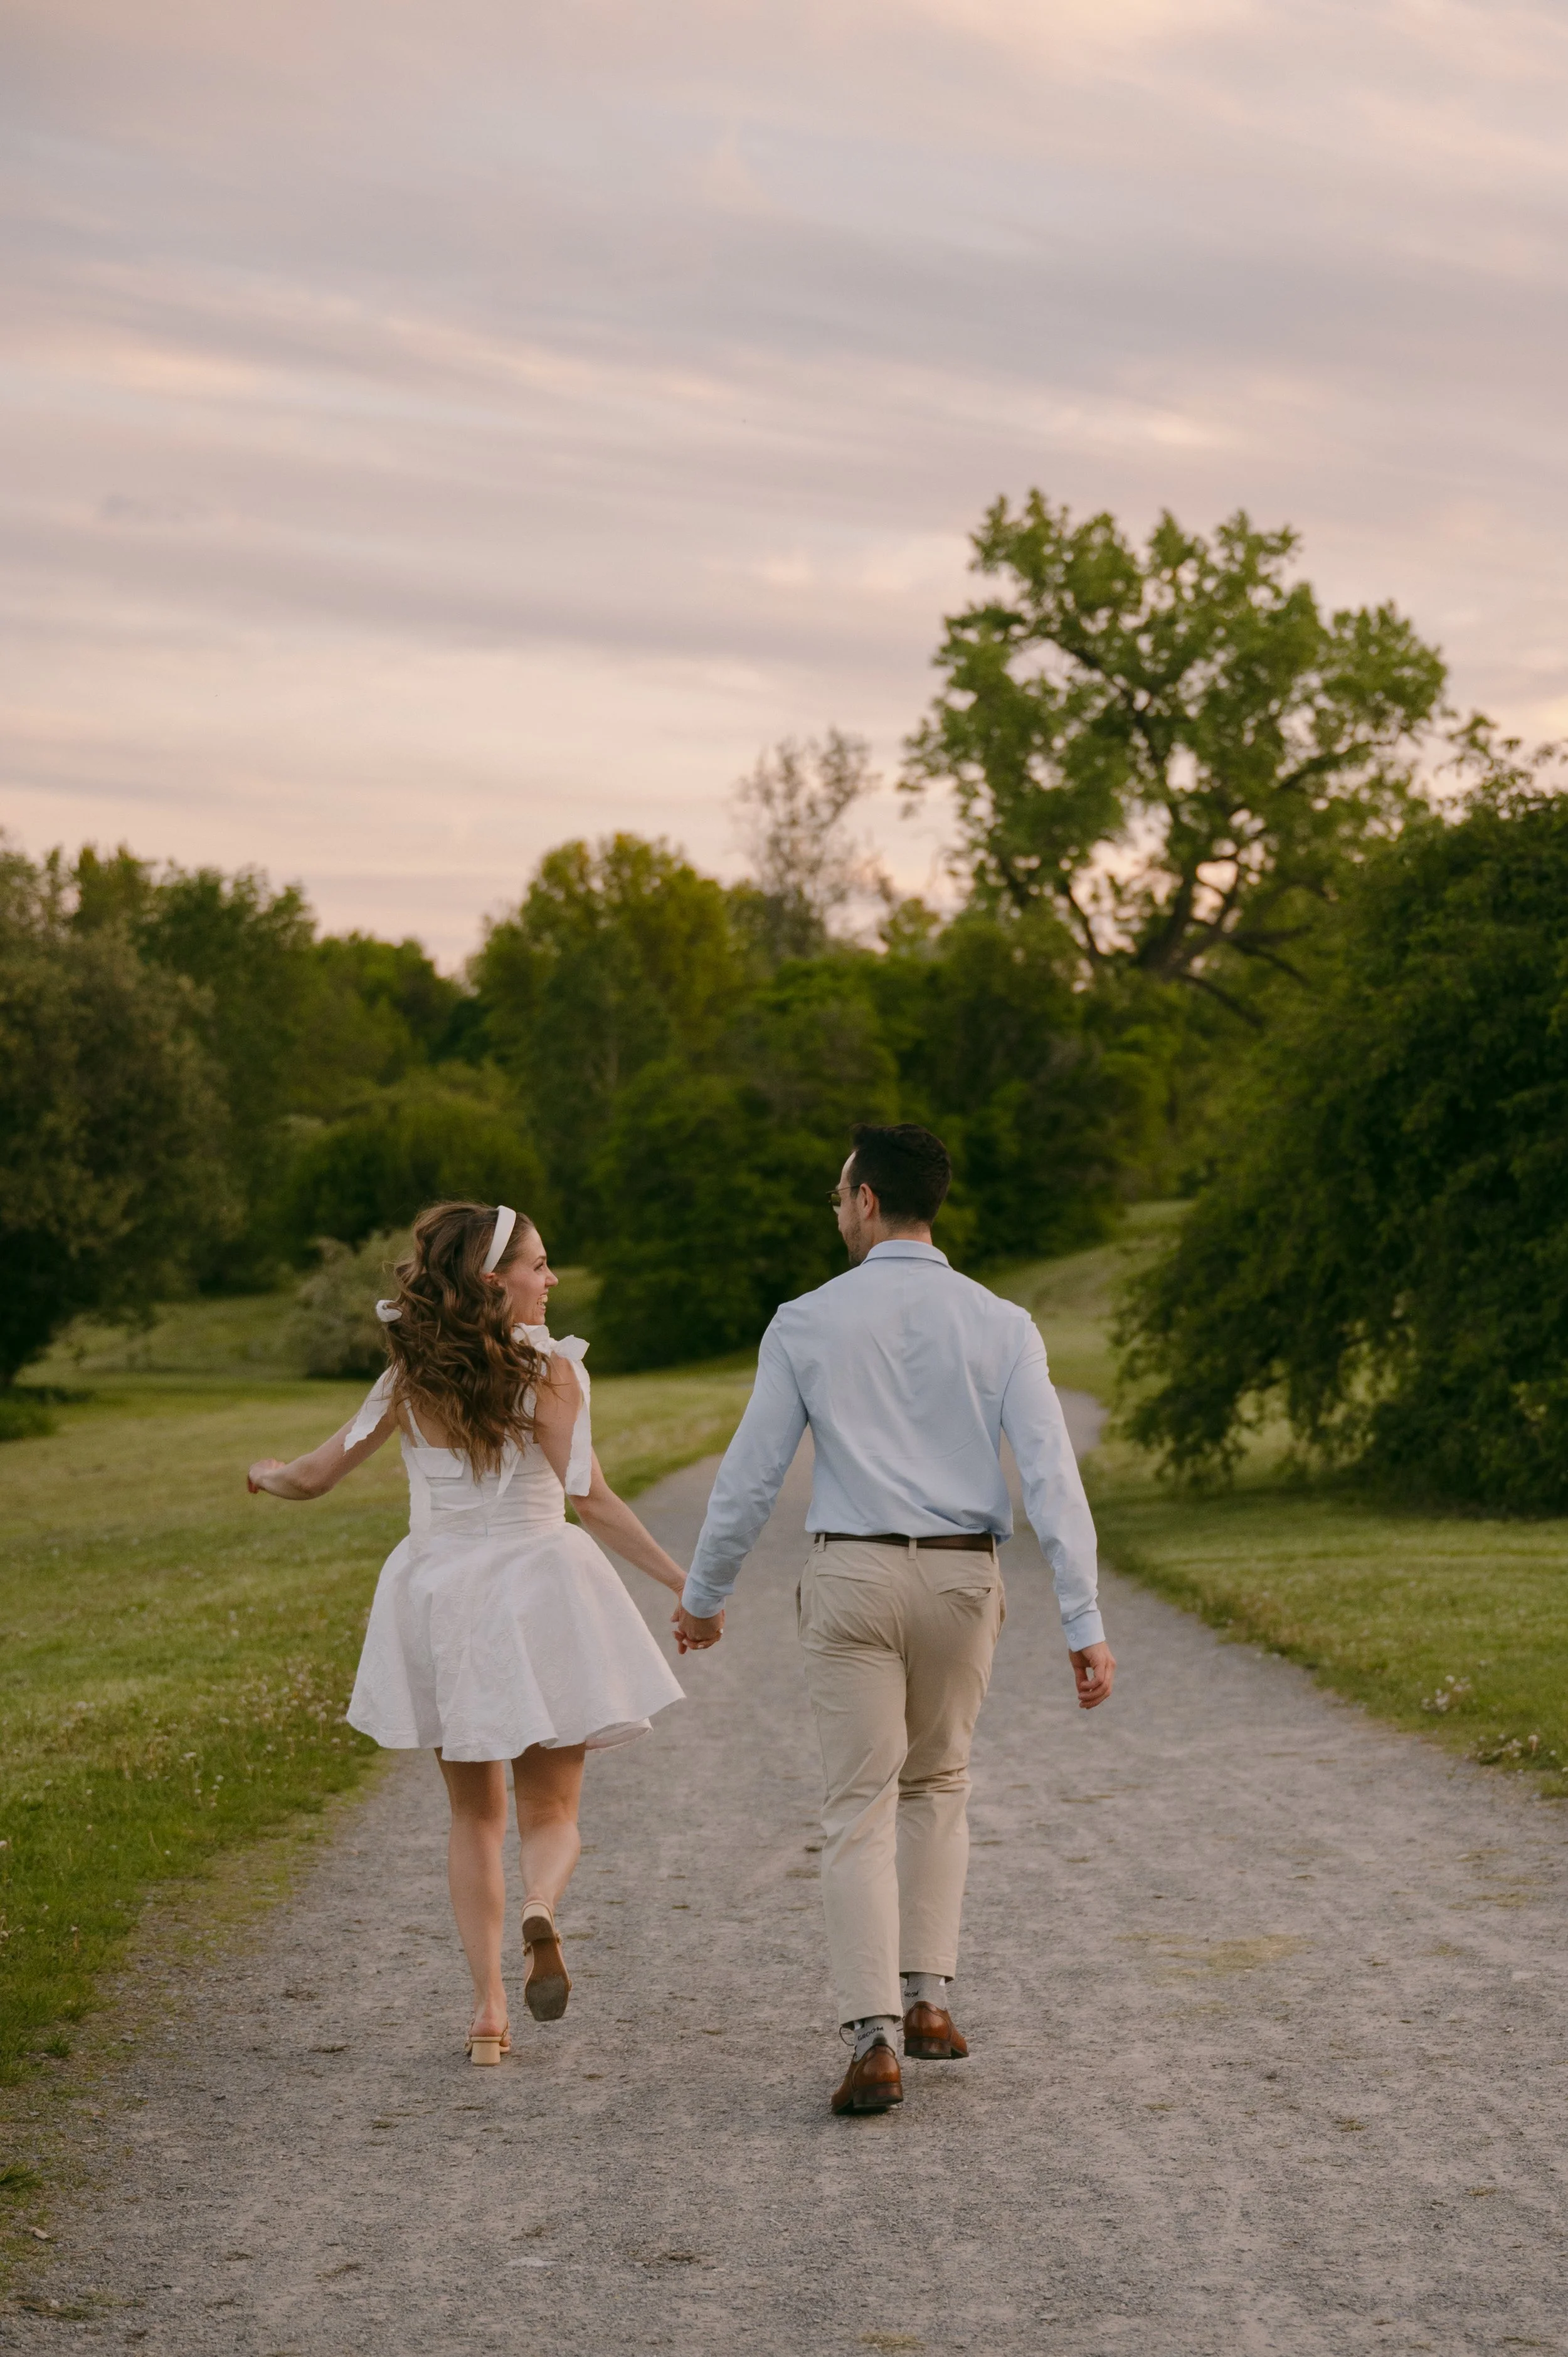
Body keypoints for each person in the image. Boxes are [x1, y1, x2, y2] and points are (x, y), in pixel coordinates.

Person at [675, 1122, 1115, 2116]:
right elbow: (1052, 1478)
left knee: (858, 1804)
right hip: (963, 1581)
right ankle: (931, 2000)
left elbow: (749, 1479)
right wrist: (1084, 1620)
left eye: (838, 1198)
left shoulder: (805, 1321)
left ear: (868, 1200)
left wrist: (705, 1597)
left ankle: (872, 2035)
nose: (836, 1213)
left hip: (854, 1578)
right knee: (939, 1782)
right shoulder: (1002, 1322)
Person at [246, 1200, 699, 2066]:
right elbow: (589, 1498)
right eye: (538, 1265)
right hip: (540, 1587)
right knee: (553, 1809)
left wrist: (263, 1474)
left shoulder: (407, 1379)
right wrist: (686, 1585)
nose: (551, 1279)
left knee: (472, 1816)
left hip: (444, 1594)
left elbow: (312, 1477)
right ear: (496, 1278)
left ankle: (488, 2012)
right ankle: (543, 1906)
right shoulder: (556, 1372)